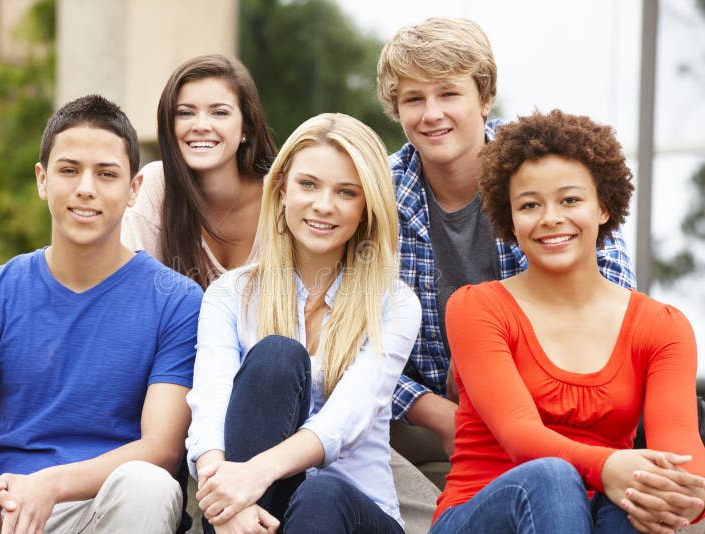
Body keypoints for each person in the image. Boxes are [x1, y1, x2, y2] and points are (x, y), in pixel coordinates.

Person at [0, 95, 203, 534]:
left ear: (134, 189)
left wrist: (49, 485)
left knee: (148, 485)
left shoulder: (176, 301)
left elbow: (160, 449)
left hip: (97, 508)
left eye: (106, 174)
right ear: (42, 180)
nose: (86, 188)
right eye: (69, 170)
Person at [374, 17, 636, 486]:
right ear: (397, 109)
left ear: (485, 97)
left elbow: (611, 299)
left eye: (449, 93)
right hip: (428, 434)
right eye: (414, 98)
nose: (431, 113)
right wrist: (432, 411)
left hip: (555, 412)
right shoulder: (375, 197)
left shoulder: (547, 172)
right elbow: (344, 336)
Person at [431, 109, 705, 533]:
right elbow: (521, 437)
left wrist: (679, 496)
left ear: (603, 207)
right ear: (510, 219)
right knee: (553, 477)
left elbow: (684, 464)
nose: (550, 218)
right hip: (482, 513)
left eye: (570, 200)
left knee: (638, 499)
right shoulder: (476, 309)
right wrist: (611, 465)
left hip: (600, 514)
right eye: (529, 205)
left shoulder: (663, 327)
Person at [187, 113, 422, 533]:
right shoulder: (229, 295)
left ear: (367, 206)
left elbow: (346, 419)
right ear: (280, 190)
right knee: (276, 356)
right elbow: (210, 408)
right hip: (251, 516)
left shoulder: (396, 303)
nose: (323, 205)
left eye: (346, 192)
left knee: (321, 493)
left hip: (355, 516)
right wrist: (231, 500)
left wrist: (254, 474)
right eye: (308, 184)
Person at [121, 53, 277, 287]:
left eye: (219, 112)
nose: (201, 126)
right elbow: (131, 287)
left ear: (246, 126)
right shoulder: (155, 185)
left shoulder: (280, 196)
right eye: (185, 113)